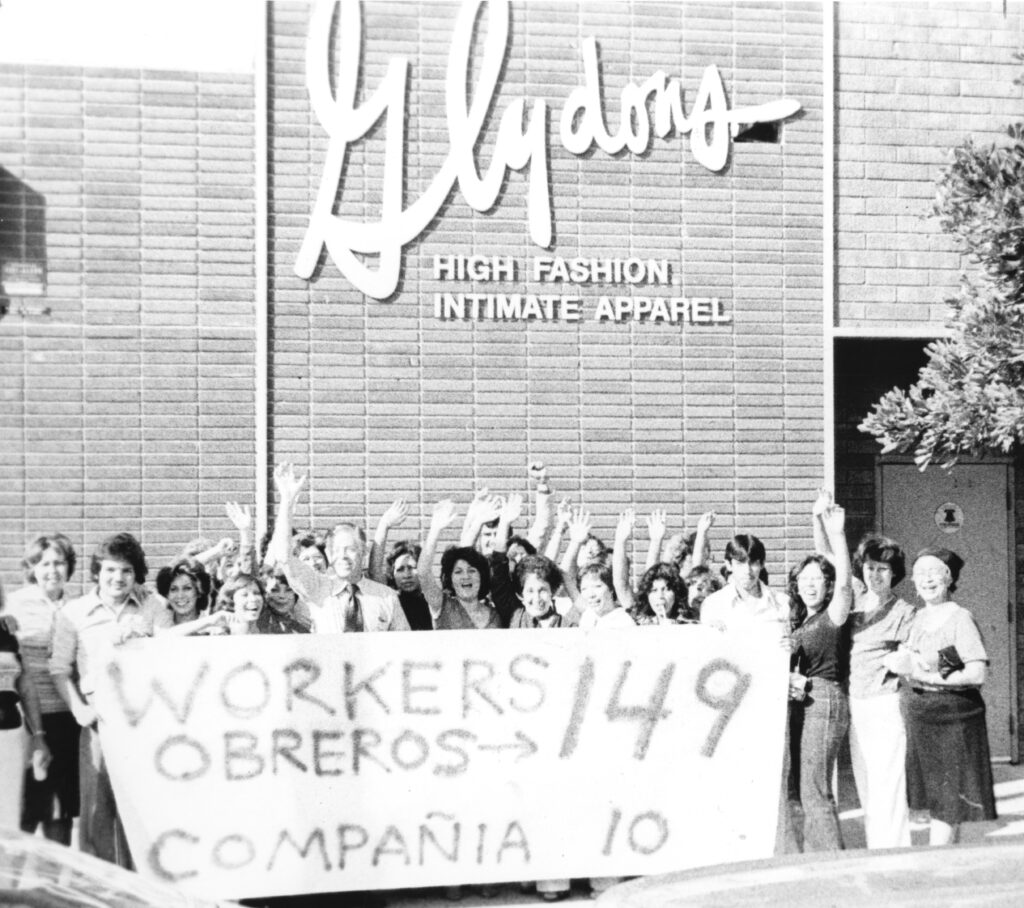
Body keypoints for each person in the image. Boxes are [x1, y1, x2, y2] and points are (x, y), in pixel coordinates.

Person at [49, 532, 172, 866]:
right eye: (110, 570)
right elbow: (59, 669)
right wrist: (79, 709)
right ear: (97, 572)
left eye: (127, 571)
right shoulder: (74, 613)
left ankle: (141, 887)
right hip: (100, 720)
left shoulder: (154, 607)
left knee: (142, 806)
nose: (118, 578)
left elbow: (169, 653)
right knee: (96, 809)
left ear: (137, 575)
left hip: (145, 719)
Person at [885, 547, 996, 846]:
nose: (927, 580)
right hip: (923, 714)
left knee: (947, 797)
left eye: (935, 572)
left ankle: (936, 859)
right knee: (941, 797)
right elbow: (918, 661)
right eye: (920, 574)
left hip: (955, 716)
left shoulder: (960, 618)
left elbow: (976, 673)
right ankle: (949, 858)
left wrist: (925, 675)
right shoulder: (918, 618)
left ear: (949, 578)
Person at [820, 529, 916, 850]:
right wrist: (821, 517)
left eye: (883, 569)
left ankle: (897, 852)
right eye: (870, 567)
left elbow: (915, 655)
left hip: (885, 705)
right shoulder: (855, 600)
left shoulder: (904, 611)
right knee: (866, 785)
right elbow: (827, 551)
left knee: (888, 783)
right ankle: (878, 850)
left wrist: (902, 659)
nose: (875, 574)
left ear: (894, 574)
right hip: (855, 705)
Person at [269, 463, 410, 633]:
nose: (343, 556)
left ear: (363, 552)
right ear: (328, 553)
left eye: (350, 549)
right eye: (336, 550)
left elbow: (403, 647)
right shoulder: (316, 587)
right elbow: (283, 556)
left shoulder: (387, 597)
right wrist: (286, 501)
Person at [3, 533, 79, 843]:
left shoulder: (76, 607)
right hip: (26, 721)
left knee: (59, 813)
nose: (53, 570)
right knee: (23, 813)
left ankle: (52, 889)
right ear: (32, 567)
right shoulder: (13, 606)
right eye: (45, 563)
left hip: (66, 718)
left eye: (59, 563)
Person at [786, 503, 852, 852]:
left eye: (818, 580)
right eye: (804, 580)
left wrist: (837, 535)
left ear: (827, 586)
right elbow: (818, 560)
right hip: (802, 702)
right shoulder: (803, 621)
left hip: (824, 701)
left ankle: (830, 866)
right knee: (802, 788)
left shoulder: (834, 615)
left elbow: (843, 584)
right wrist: (814, 520)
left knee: (815, 788)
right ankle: (813, 859)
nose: (811, 585)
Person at [0, 581, 51, 831]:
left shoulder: (7, 633)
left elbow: (26, 686)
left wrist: (38, 735)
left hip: (8, 737)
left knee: (8, 819)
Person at [420, 499, 499, 630]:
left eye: (472, 571)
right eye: (458, 572)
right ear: (450, 579)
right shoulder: (442, 605)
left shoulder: (495, 614)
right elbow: (423, 572)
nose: (466, 576)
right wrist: (435, 529)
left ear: (482, 576)